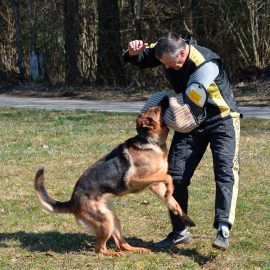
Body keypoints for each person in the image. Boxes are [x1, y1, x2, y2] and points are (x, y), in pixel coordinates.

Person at [123, 32, 240, 250]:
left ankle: (223, 229)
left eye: (173, 64)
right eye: (164, 65)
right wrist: (134, 53)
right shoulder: (166, 48)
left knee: (225, 172)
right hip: (191, 120)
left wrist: (165, 110)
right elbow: (144, 58)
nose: (169, 69)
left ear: (183, 53)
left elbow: (192, 97)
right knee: (176, 175)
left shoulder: (206, 64)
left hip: (221, 119)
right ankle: (179, 232)